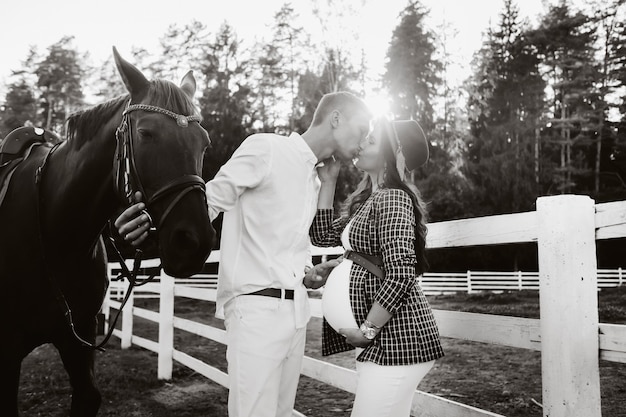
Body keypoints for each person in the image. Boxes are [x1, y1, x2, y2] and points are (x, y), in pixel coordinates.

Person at [114, 91, 373, 417]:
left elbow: (292, 243)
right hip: (256, 311)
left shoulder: (316, 177)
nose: (364, 139)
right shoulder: (266, 148)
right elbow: (208, 201)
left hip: (296, 316)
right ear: (336, 118)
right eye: (362, 129)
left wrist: (309, 272)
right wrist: (151, 228)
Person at [309, 116, 444, 417]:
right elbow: (321, 236)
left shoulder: (394, 198)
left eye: (370, 141)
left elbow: (401, 272)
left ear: (393, 153)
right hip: (382, 342)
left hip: (398, 339)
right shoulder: (369, 200)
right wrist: (328, 181)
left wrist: (368, 330)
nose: (360, 144)